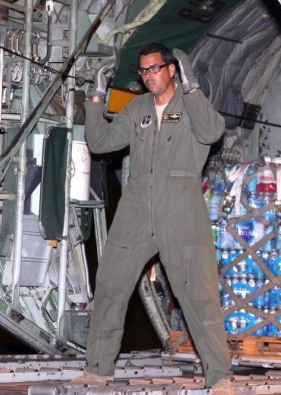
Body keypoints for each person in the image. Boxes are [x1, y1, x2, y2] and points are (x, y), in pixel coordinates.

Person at [78, 42, 233, 393]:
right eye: (143, 70)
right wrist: (97, 98)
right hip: (136, 209)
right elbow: (100, 143)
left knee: (199, 295)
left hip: (181, 210)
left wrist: (193, 86)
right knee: (110, 286)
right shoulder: (138, 109)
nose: (148, 76)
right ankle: (98, 368)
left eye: (155, 69)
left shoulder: (191, 104)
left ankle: (220, 376)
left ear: (172, 69)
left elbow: (212, 132)